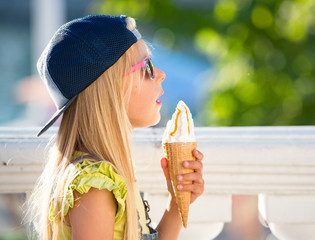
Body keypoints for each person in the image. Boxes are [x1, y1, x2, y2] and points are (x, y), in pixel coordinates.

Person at [26, 15, 204, 240]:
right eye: (146, 67)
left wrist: (177, 204)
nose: (160, 74)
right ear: (109, 90)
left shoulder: (106, 176)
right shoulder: (94, 189)